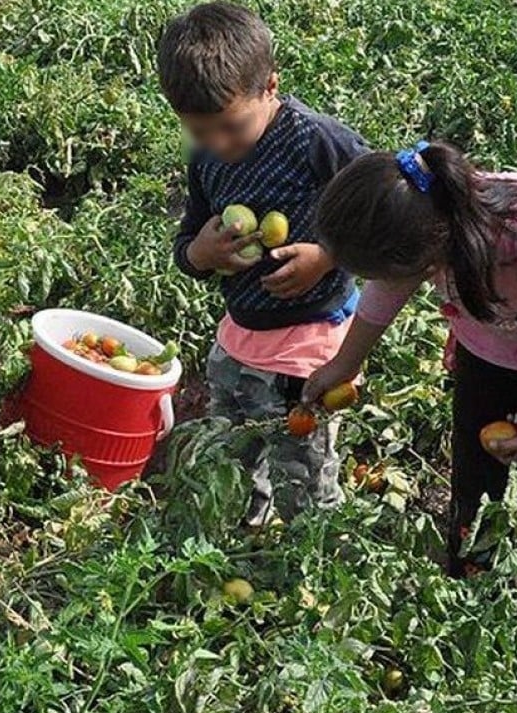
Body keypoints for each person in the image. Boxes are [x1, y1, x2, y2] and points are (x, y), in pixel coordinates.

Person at [300, 140, 517, 679]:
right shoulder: (427, 223)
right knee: (474, 498)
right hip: (493, 348)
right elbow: (386, 288)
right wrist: (344, 365)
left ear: (431, 252)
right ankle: (471, 628)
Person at [157, 2, 369, 526]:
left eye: (231, 127)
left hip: (310, 344)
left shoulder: (315, 141)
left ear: (270, 86)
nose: (218, 144)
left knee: (303, 468)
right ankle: (248, 536)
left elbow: (384, 209)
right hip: (240, 336)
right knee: (233, 454)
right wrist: (200, 254)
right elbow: (188, 243)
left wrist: (328, 256)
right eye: (200, 131)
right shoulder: (206, 158)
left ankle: (308, 563)